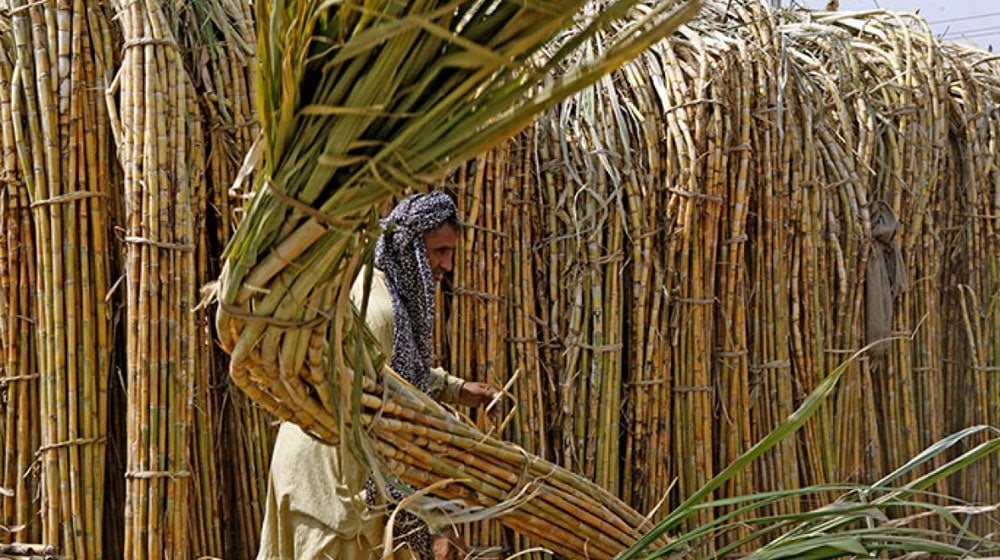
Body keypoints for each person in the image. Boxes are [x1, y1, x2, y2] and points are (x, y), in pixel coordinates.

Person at [256, 191, 500, 560]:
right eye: (439, 252)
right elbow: (384, 422)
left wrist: (457, 389)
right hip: (329, 484)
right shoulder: (378, 309)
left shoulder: (386, 294)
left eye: (450, 253)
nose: (447, 266)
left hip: (334, 475)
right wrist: (430, 522)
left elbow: (391, 376)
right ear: (410, 248)